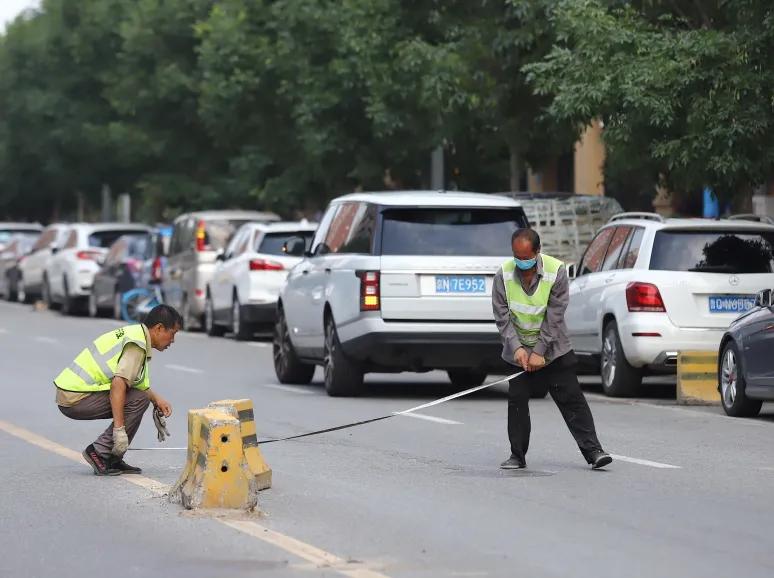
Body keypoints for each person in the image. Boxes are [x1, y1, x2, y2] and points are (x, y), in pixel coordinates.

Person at [492, 229, 612, 470]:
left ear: (537, 252)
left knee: (572, 399)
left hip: (553, 349)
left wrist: (539, 351)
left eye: (526, 257)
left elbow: (555, 316)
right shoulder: (503, 275)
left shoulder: (555, 271)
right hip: (519, 352)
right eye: (517, 256)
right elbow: (502, 316)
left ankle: (594, 451)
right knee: (517, 401)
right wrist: (517, 349)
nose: (521, 263)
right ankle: (517, 455)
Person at [53, 304, 182, 476]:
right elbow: (118, 385)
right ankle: (99, 452)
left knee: (141, 396)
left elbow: (135, 383)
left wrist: (156, 399)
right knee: (139, 399)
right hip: (74, 397)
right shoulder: (137, 344)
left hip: (72, 393)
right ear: (159, 328)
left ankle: (112, 458)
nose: (172, 341)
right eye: (172, 334)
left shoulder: (135, 334)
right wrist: (119, 431)